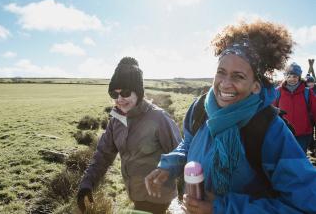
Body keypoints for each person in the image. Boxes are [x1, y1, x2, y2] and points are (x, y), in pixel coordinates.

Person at [145, 20, 316, 213]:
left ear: (255, 86)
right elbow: (189, 144)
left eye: (238, 76)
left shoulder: (270, 129)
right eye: (221, 72)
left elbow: (306, 205)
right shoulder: (199, 108)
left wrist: (221, 208)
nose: (225, 84)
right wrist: (169, 166)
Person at [77, 57, 181, 214]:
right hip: (135, 195)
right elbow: (103, 155)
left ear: (138, 93)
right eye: (114, 93)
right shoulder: (116, 121)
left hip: (158, 197)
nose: (119, 99)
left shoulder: (159, 118)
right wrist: (87, 183)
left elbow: (181, 155)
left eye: (125, 92)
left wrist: (189, 195)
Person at [274, 63, 316, 153]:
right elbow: (271, 110)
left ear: (299, 77)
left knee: (299, 159)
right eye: (289, 76)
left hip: (303, 134)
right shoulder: (277, 91)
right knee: (285, 158)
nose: (292, 79)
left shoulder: (307, 92)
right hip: (283, 133)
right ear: (285, 76)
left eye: (295, 76)